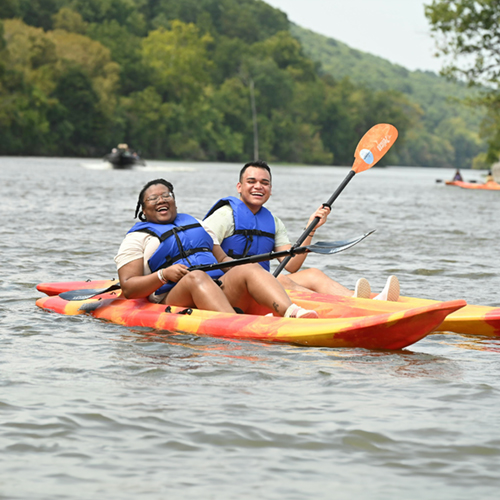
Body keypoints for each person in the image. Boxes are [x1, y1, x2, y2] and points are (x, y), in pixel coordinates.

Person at [114, 179, 319, 318]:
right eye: (152, 198)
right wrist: (163, 275)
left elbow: (222, 260)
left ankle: (292, 312)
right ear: (143, 209)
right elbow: (129, 287)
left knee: (248, 267)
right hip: (172, 297)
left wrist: (247, 268)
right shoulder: (137, 238)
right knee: (196, 277)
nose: (161, 200)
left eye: (166, 195)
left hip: (217, 286)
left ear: (174, 200)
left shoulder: (197, 224)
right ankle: (235, 324)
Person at [203, 160, 400, 301]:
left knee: (312, 274)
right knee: (280, 280)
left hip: (260, 284)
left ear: (270, 188)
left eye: (265, 183)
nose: (258, 187)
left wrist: (310, 228)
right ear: (239, 186)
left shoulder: (272, 222)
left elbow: (292, 264)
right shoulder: (225, 215)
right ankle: (340, 305)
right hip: (224, 286)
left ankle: (361, 300)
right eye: (251, 182)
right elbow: (201, 246)